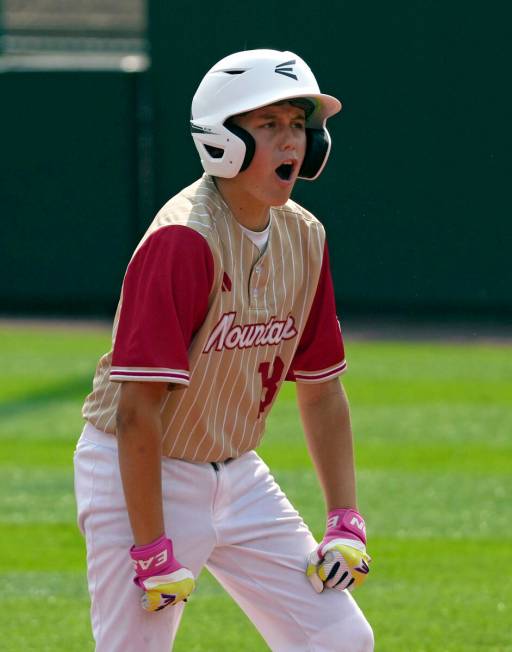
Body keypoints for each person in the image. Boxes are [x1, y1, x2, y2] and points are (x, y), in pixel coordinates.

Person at [74, 48, 374, 652]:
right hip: (141, 472)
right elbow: (137, 411)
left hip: (240, 476)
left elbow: (321, 388)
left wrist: (345, 517)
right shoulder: (184, 241)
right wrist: (152, 545)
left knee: (338, 639)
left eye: (298, 126)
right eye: (269, 126)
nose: (291, 142)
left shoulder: (304, 236)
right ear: (223, 142)